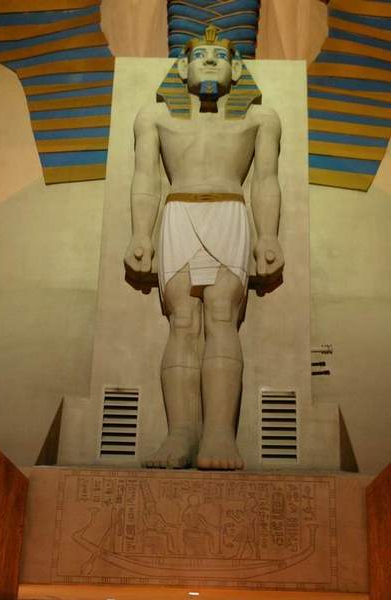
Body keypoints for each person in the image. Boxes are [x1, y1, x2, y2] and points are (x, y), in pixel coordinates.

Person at [124, 26, 284, 470]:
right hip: (179, 213)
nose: (210, 61)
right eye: (200, 55)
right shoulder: (154, 117)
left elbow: (266, 181)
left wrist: (268, 235)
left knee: (221, 316)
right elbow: (146, 179)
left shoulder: (260, 119)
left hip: (230, 212)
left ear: (237, 70)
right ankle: (181, 432)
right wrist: (141, 233)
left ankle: (218, 433)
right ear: (181, 68)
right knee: (182, 321)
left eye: (220, 55)